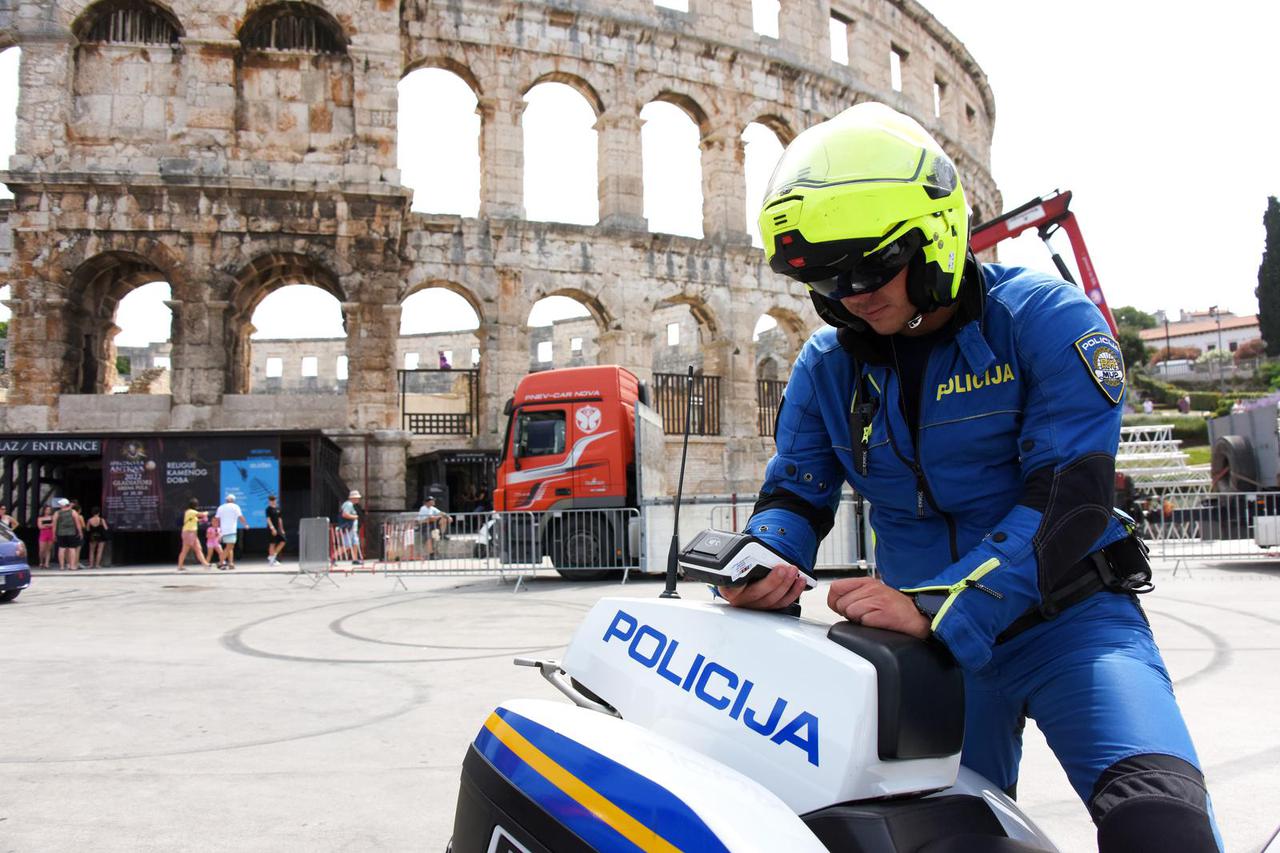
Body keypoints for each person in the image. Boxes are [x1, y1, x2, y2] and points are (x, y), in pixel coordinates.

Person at [725, 104, 1220, 851]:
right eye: (825, 276)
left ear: (939, 236)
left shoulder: (1047, 319)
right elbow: (795, 495)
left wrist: (939, 600)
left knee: (1161, 822)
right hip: (923, 653)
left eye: (869, 264)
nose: (851, 292)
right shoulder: (825, 365)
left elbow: (1065, 501)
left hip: (1070, 627)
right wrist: (759, 558)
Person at [214, 493, 248, 570]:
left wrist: (216, 530)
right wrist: (245, 524)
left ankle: (231, 563)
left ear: (226, 500)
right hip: (231, 530)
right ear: (233, 500)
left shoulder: (221, 507)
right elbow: (241, 517)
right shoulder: (236, 507)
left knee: (229, 547)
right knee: (229, 547)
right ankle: (221, 562)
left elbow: (216, 519)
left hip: (223, 531)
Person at [177, 498, 210, 571]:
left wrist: (202, 519)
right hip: (189, 533)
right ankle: (180, 566)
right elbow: (202, 514)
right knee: (185, 550)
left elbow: (197, 519)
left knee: (198, 549)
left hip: (193, 534)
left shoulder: (191, 513)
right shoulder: (191, 511)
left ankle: (205, 564)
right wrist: (206, 513)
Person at [52, 498, 83, 571]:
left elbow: (54, 525)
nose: (59, 505)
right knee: (72, 549)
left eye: (60, 504)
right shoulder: (73, 512)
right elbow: (77, 523)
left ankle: (62, 566)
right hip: (71, 533)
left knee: (61, 549)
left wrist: (54, 534)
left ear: (63, 505)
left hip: (61, 533)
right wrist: (80, 532)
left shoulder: (57, 513)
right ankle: (72, 566)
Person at [339, 490, 363, 566]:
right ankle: (332, 558)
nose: (358, 499)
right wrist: (355, 517)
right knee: (347, 545)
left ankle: (355, 559)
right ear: (353, 498)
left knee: (355, 544)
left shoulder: (350, 504)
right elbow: (344, 514)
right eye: (357, 498)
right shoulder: (348, 505)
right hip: (349, 528)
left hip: (352, 529)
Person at [265, 494, 286, 567]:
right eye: (271, 500)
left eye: (273, 500)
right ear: (269, 501)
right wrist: (272, 528)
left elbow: (280, 519)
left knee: (283, 541)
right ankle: (271, 561)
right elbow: (268, 519)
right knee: (272, 543)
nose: (272, 501)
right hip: (271, 529)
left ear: (275, 500)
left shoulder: (278, 508)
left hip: (278, 528)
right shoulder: (268, 509)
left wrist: (282, 529)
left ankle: (272, 556)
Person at [36, 505, 55, 569]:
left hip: (50, 533)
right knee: (42, 549)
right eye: (47, 510)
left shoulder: (52, 517)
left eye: (49, 510)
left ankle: (47, 563)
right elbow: (40, 526)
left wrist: (46, 525)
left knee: (48, 549)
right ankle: (41, 561)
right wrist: (49, 525)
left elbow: (54, 524)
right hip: (43, 534)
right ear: (44, 510)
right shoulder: (40, 518)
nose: (48, 511)